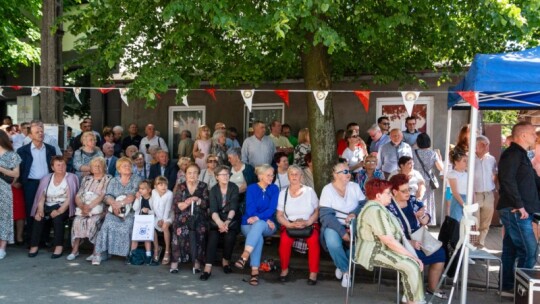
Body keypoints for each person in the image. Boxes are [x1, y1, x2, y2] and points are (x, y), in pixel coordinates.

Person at [356, 179, 424, 304]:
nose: (391, 195)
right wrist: (413, 257)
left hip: (383, 248)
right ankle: (413, 301)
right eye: (388, 193)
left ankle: (411, 299)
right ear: (378, 196)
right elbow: (389, 241)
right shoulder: (374, 210)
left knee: (411, 264)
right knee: (411, 265)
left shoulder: (379, 208)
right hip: (373, 251)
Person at [497, 121, 540, 295]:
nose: (535, 137)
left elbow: (531, 182)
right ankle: (520, 291)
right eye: (533, 133)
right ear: (522, 135)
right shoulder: (512, 154)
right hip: (516, 211)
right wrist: (519, 205)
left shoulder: (522, 155)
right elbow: (507, 180)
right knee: (529, 250)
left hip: (519, 210)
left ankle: (507, 287)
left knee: (511, 249)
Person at [388, 174, 447, 299]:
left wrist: (422, 217)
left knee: (440, 253)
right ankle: (412, 293)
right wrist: (409, 242)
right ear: (394, 191)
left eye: (409, 189)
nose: (408, 193)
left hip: (419, 237)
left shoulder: (413, 201)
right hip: (400, 241)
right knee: (414, 259)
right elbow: (389, 233)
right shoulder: (389, 206)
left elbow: (426, 219)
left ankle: (432, 287)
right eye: (404, 191)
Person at [319, 162, 365, 288]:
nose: (348, 174)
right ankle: (346, 271)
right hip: (334, 225)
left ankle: (341, 265)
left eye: (349, 171)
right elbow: (325, 216)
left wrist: (354, 214)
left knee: (362, 242)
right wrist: (342, 232)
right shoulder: (327, 190)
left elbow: (363, 205)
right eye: (345, 172)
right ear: (335, 174)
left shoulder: (354, 187)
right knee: (332, 242)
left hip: (354, 224)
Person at [234, 164, 279, 286]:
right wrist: (263, 219)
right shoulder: (252, 188)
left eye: (273, 175)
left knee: (259, 224)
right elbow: (250, 209)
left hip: (268, 225)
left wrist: (261, 218)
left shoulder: (274, 189)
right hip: (248, 223)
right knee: (257, 236)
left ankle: (245, 255)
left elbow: (272, 209)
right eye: (268, 175)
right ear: (260, 176)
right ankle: (254, 272)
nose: (272, 177)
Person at [93, 157, 142, 265]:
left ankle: (127, 254)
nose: (128, 167)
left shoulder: (136, 179)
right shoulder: (114, 180)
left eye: (129, 165)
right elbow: (108, 196)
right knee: (107, 224)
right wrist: (114, 205)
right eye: (125, 166)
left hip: (130, 211)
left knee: (128, 225)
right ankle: (101, 253)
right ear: (119, 169)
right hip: (114, 209)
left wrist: (121, 204)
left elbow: (133, 195)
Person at [276, 165, 320, 285]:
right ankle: (284, 269)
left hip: (308, 224)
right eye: (291, 174)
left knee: (313, 239)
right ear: (288, 176)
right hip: (290, 225)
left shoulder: (309, 191)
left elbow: (317, 211)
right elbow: (279, 215)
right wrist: (289, 225)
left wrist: (308, 222)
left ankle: (313, 273)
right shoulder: (283, 193)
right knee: (284, 240)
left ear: (301, 176)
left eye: (297, 174)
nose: (294, 176)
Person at [28, 156, 79, 258]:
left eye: (63, 165)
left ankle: (58, 246)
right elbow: (41, 196)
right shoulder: (46, 178)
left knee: (57, 218)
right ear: (52, 167)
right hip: (47, 205)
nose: (61, 167)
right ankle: (34, 246)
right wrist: (40, 209)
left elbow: (70, 198)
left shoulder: (71, 177)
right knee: (38, 217)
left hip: (64, 206)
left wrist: (59, 210)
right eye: (58, 165)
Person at [17, 123, 58, 240]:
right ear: (30, 135)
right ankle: (32, 240)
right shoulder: (22, 150)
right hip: (30, 184)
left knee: (47, 210)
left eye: (41, 131)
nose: (41, 134)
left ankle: (44, 239)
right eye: (37, 132)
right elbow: (19, 168)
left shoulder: (51, 149)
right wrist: (20, 181)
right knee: (31, 211)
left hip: (48, 183)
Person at [69, 157, 112, 261]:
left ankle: (95, 252)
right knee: (77, 221)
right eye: (94, 166)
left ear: (104, 167)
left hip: (100, 207)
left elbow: (103, 195)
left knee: (94, 222)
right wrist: (82, 206)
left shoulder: (108, 178)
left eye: (99, 165)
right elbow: (78, 195)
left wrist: (90, 206)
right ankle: (75, 250)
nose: (97, 168)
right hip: (84, 207)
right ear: (91, 168)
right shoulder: (86, 178)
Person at [202, 165, 240, 280]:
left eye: (227, 174)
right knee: (213, 237)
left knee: (230, 237)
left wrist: (227, 222)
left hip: (230, 218)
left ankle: (225, 262)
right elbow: (213, 210)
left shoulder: (234, 187)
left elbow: (233, 207)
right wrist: (219, 223)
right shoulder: (213, 190)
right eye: (222, 174)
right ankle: (207, 268)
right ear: (217, 177)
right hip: (216, 219)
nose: (225, 176)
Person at [169, 164, 209, 274]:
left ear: (198, 174)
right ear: (185, 175)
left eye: (195, 172)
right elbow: (176, 204)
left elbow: (206, 204)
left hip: (199, 216)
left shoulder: (203, 186)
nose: (192, 175)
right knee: (179, 229)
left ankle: (196, 262)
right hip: (183, 216)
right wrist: (188, 202)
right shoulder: (181, 186)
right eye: (190, 173)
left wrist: (198, 200)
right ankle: (175, 261)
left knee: (200, 230)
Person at [413, 133, 443, 225]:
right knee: (427, 201)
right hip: (428, 180)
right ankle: (426, 221)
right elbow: (441, 168)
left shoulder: (413, 152)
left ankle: (416, 221)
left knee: (417, 199)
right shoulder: (433, 153)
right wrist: (440, 158)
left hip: (416, 179)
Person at [473, 135, 497, 248]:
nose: (486, 147)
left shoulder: (491, 159)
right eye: (483, 144)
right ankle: (472, 244)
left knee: (486, 222)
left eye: (488, 144)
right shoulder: (469, 159)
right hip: (475, 194)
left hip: (488, 194)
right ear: (476, 145)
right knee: (474, 222)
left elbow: (495, 174)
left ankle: (480, 243)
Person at [0, 130, 21, 259]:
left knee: (4, 217)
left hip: (4, 189)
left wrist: (1, 168)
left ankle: (2, 247)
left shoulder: (12, 155)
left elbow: (16, 174)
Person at [226, 147, 257, 213]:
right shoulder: (229, 169)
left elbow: (246, 186)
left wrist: (232, 194)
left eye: (230, 158)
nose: (228, 160)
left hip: (243, 198)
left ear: (237, 157)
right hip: (230, 197)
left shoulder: (248, 169)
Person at [447, 149, 468, 222]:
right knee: (456, 221)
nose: (466, 163)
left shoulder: (467, 174)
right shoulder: (452, 174)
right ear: (456, 162)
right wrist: (463, 204)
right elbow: (454, 192)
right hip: (454, 196)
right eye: (464, 161)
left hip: (466, 198)